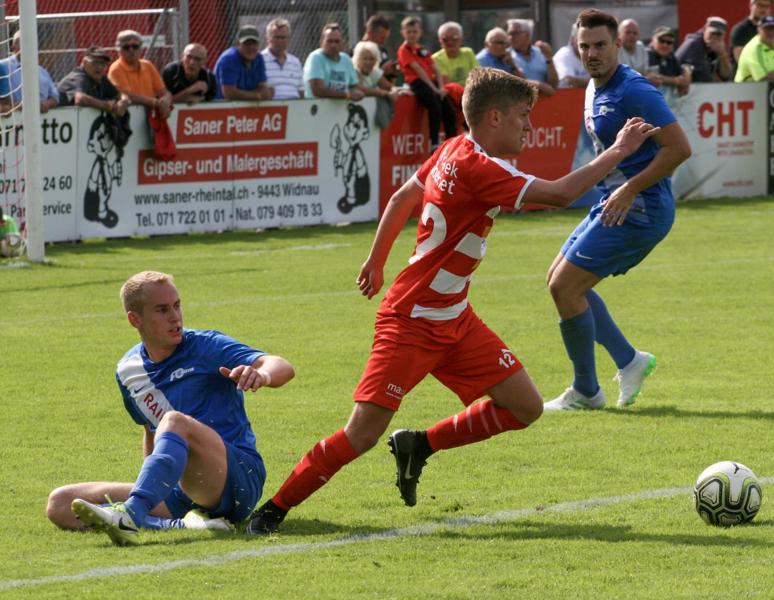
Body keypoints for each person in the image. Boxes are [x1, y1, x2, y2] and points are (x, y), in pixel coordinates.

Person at [243, 67, 659, 534]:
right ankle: (273, 507)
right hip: (411, 322)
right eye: (524, 115)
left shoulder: (454, 148)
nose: (529, 126)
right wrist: (621, 151)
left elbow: (403, 196)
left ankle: (419, 445)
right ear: (495, 117)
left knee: (525, 406)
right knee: (361, 433)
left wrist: (376, 261)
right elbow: (562, 193)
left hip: (455, 318)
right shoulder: (481, 167)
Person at [45, 271, 296, 546]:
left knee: (174, 421)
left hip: (236, 479)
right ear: (134, 319)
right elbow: (150, 431)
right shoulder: (128, 371)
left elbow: (281, 365)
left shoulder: (205, 345)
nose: (175, 317)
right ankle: (180, 524)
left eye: (177, 306)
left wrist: (262, 375)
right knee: (61, 503)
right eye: (162, 310)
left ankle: (130, 515)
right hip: (182, 490)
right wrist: (151, 487)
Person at [543, 9, 691, 412]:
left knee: (565, 287)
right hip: (616, 201)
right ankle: (629, 361)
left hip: (642, 208)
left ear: (618, 46)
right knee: (558, 279)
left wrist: (629, 188)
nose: (592, 53)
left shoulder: (634, 91)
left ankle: (586, 392)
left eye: (600, 45)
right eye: (585, 46)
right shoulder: (594, 87)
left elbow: (679, 148)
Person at [398, 16, 456, 153]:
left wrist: (441, 88)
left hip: (432, 82)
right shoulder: (403, 50)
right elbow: (418, 70)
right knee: (434, 106)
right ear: (403, 33)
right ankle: (434, 142)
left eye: (414, 31)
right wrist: (434, 88)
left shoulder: (422, 49)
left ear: (419, 32)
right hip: (418, 82)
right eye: (409, 31)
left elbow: (435, 68)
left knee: (449, 109)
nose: (412, 34)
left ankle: (452, 142)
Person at [107, 30, 173, 119]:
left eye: (135, 46)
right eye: (126, 47)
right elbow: (127, 96)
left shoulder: (148, 65)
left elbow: (164, 92)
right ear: (119, 50)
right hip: (128, 118)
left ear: (140, 47)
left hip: (150, 118)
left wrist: (166, 101)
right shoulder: (116, 69)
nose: (131, 50)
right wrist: (156, 103)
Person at [57, 47, 132, 115]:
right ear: (84, 62)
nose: (99, 67)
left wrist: (124, 101)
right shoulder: (78, 77)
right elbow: (80, 99)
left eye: (103, 63)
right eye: (95, 62)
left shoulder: (101, 78)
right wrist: (107, 106)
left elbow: (119, 94)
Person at [0, 31, 60, 114]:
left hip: (42, 121)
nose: (28, 45)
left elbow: (55, 97)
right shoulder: (3, 67)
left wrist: (47, 103)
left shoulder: (43, 72)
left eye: (30, 42)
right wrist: (18, 105)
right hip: (14, 122)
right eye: (23, 42)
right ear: (13, 47)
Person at [304, 23, 362, 101]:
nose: (333, 45)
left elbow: (355, 86)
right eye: (329, 41)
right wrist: (347, 94)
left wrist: (356, 93)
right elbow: (318, 91)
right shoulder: (316, 57)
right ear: (321, 42)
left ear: (343, 43)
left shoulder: (346, 59)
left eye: (337, 41)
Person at [214, 25, 272, 101]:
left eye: (254, 43)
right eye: (247, 43)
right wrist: (257, 95)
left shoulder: (259, 58)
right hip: (222, 108)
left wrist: (263, 93)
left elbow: (263, 87)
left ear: (258, 44)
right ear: (238, 44)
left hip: (246, 108)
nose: (251, 47)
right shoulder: (229, 58)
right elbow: (229, 93)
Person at [507, 18, 558, 97]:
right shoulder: (506, 55)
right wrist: (539, 85)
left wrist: (549, 58)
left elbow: (554, 84)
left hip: (544, 105)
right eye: (509, 34)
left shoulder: (541, 53)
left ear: (527, 35)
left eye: (515, 33)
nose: (511, 37)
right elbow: (513, 82)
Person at [676, 17, 734, 82]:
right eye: (712, 33)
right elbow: (704, 77)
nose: (714, 37)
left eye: (718, 34)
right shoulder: (694, 44)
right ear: (705, 29)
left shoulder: (716, 48)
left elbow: (727, 76)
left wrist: (722, 54)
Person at [262, 18, 304, 99]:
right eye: (276, 37)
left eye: (283, 37)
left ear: (288, 39)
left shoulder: (295, 62)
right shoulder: (259, 61)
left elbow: (301, 91)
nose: (280, 41)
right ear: (268, 38)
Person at [647, 26, 691, 98]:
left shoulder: (670, 57)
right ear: (652, 41)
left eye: (669, 42)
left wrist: (687, 76)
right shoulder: (647, 54)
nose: (665, 45)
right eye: (661, 40)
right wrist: (677, 81)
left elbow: (682, 74)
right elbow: (655, 77)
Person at [433, 21, 478, 86]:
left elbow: (477, 76)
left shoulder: (468, 52)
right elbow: (448, 85)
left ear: (461, 39)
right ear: (439, 40)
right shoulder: (435, 58)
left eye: (454, 38)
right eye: (445, 39)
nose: (450, 42)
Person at [360, 14, 399, 85]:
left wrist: (393, 73)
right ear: (370, 33)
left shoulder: (382, 52)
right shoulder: (355, 53)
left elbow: (389, 85)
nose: (383, 42)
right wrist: (381, 71)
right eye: (382, 38)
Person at [554, 24, 590, 88]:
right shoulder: (563, 55)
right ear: (572, 39)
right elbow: (567, 80)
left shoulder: (593, 53)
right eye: (581, 39)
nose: (585, 43)